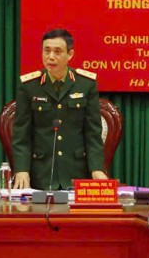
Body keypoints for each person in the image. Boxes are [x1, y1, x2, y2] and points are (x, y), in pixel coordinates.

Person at [11, 28, 107, 190]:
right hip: (40, 175)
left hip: (76, 173)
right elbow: (21, 134)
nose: (51, 57)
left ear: (70, 54)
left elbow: (93, 132)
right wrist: (22, 170)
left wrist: (96, 169)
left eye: (57, 52)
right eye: (46, 51)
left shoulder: (86, 84)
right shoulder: (29, 86)